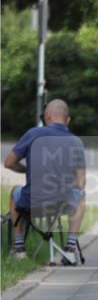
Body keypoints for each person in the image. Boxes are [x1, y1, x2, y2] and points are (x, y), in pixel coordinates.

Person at [4, 99, 86, 264]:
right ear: (67, 120)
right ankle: (70, 249)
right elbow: (80, 183)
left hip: (33, 202)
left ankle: (19, 249)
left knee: (14, 192)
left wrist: (26, 170)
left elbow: (8, 163)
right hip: (62, 204)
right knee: (81, 196)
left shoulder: (32, 134)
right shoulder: (76, 142)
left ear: (47, 117)